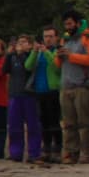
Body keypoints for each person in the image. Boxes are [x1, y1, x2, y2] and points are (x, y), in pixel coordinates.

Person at [58, 12, 89, 164]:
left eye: (70, 23)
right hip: (66, 85)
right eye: (65, 24)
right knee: (69, 124)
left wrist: (71, 56)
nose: (67, 27)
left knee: (84, 123)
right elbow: (58, 64)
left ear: (77, 23)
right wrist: (59, 55)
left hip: (82, 86)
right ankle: (71, 153)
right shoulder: (65, 39)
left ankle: (88, 153)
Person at [5, 34, 41, 161]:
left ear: (30, 45)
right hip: (15, 94)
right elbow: (4, 70)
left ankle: (34, 153)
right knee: (14, 126)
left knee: (32, 126)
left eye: (24, 42)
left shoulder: (31, 56)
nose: (21, 44)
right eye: (19, 42)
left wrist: (21, 54)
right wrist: (9, 54)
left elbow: (28, 68)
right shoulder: (12, 57)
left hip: (29, 94)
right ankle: (16, 153)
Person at [31, 26, 64, 163]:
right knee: (43, 121)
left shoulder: (58, 52)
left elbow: (57, 67)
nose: (48, 39)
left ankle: (57, 150)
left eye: (51, 36)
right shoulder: (39, 53)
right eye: (45, 36)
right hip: (40, 90)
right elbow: (28, 66)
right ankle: (47, 149)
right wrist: (34, 52)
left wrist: (47, 53)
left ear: (56, 38)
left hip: (53, 90)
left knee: (54, 121)